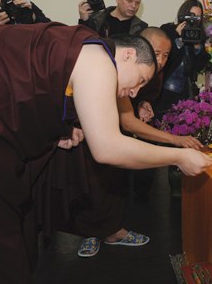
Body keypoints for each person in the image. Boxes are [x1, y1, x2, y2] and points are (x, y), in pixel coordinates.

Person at [0, 23, 212, 284]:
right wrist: (178, 156)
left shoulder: (84, 51)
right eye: (141, 80)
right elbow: (107, 148)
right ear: (128, 55)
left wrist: (62, 131)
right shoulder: (99, 59)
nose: (134, 92)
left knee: (10, 238)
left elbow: (35, 93)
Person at [71, 27, 202, 258]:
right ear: (135, 50)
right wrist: (177, 146)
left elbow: (130, 106)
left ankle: (112, 231)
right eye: (156, 53)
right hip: (86, 138)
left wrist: (143, 103)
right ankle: (90, 233)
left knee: (114, 186)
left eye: (165, 56)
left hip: (111, 138)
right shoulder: (102, 66)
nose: (160, 61)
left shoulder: (138, 74)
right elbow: (127, 124)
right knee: (90, 184)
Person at [153, 0, 210, 120]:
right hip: (164, 90)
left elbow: (198, 67)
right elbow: (165, 58)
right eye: (191, 16)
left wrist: (197, 48)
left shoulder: (199, 36)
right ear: (183, 14)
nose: (193, 20)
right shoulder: (168, 30)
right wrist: (176, 36)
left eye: (197, 17)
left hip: (184, 91)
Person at [78, 0, 146, 37]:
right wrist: (84, 21)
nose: (134, 6)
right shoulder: (96, 19)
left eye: (137, 3)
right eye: (129, 1)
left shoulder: (142, 28)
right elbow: (81, 40)